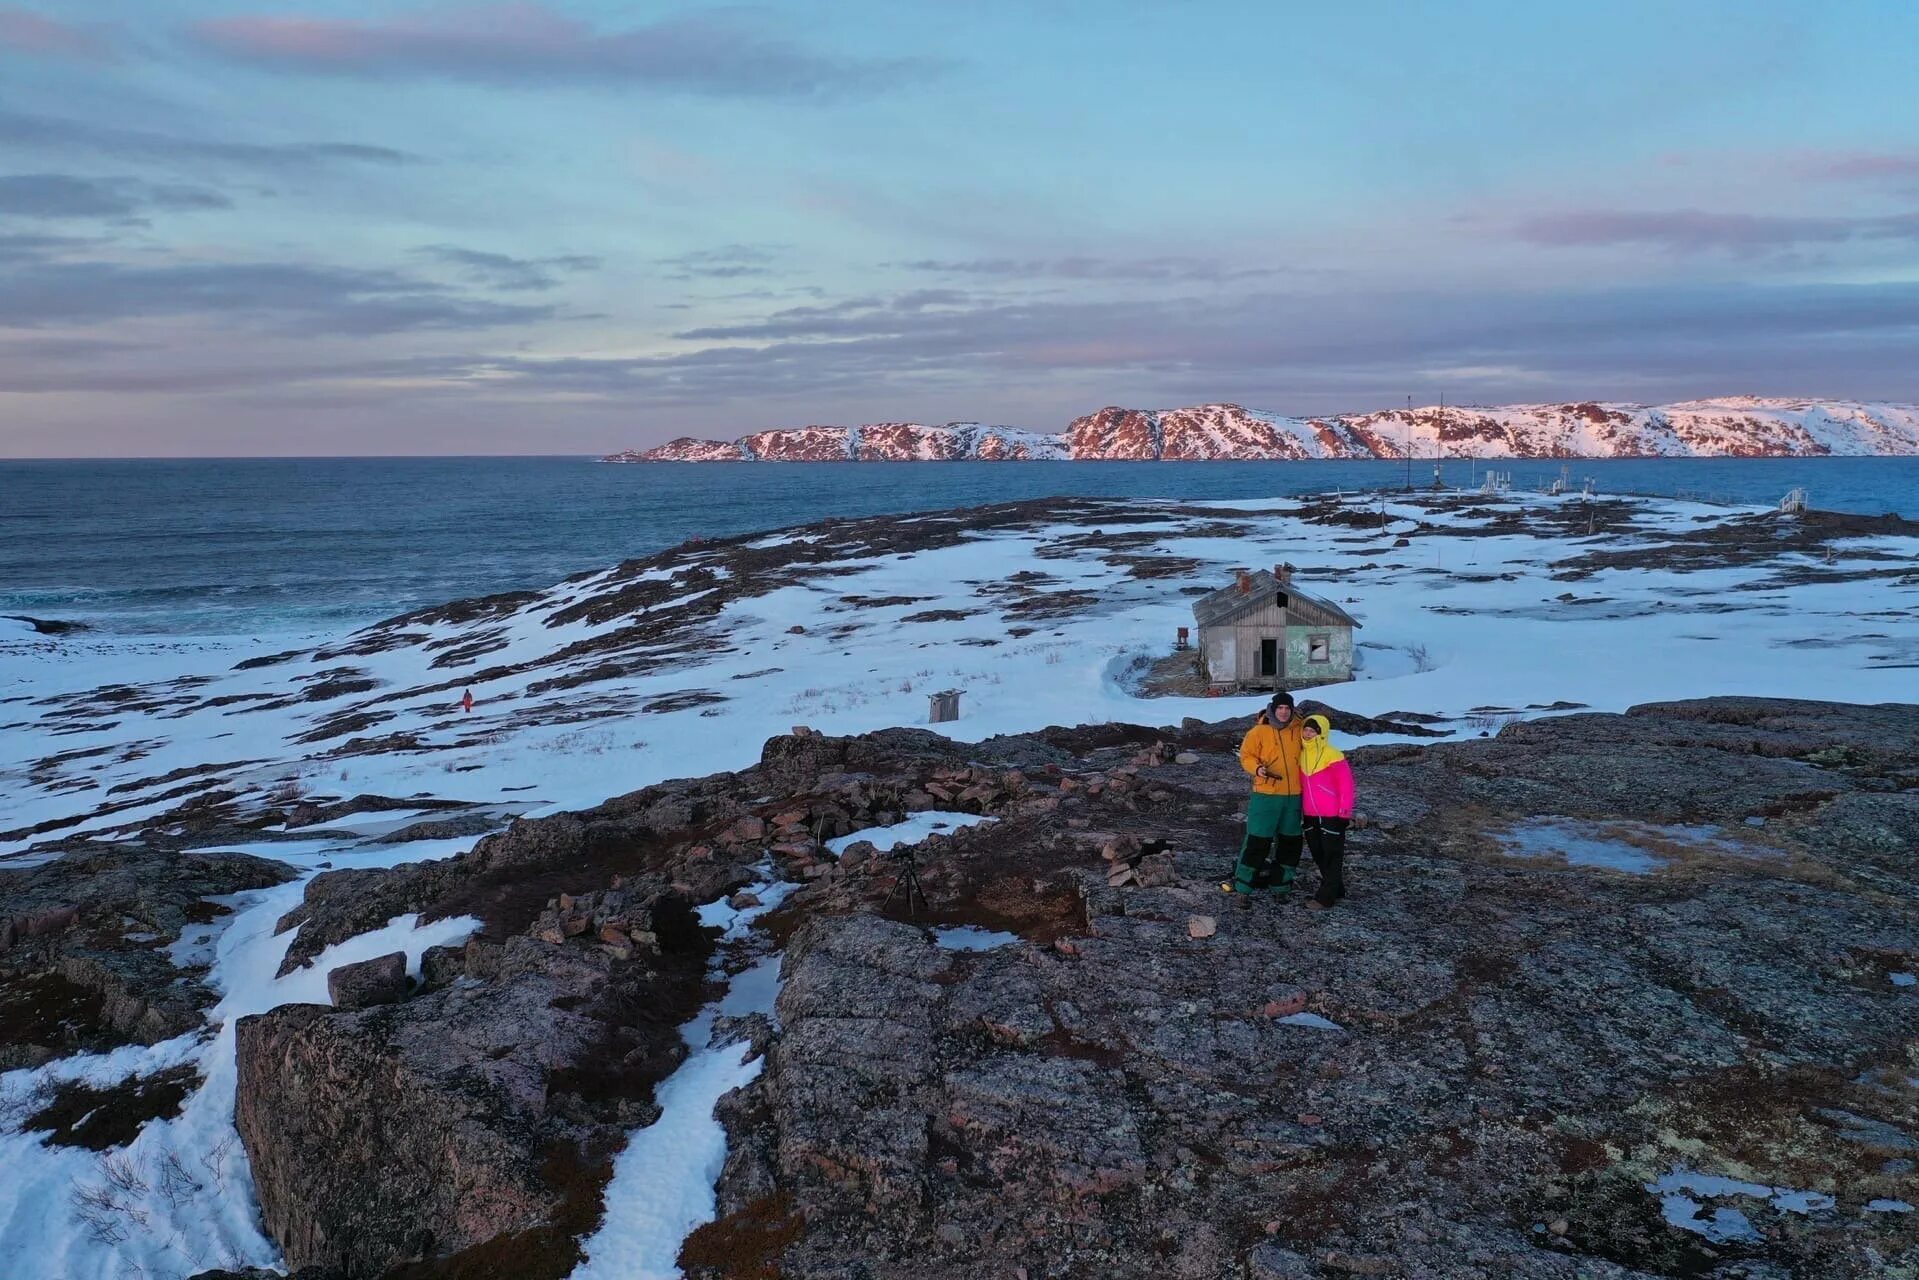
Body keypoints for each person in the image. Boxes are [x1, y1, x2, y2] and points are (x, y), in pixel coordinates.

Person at [1224, 691, 1305, 898]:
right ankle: (1243, 886)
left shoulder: (1301, 729)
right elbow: (1246, 756)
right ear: (1273, 709)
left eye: (1287, 708)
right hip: (1266, 794)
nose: (1284, 712)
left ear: (1292, 709)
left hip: (1294, 795)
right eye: (1280, 708)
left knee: (1290, 842)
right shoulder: (1259, 731)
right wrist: (1257, 768)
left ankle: (1281, 885)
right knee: (1258, 841)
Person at [1298, 714, 1356, 909]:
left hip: (1332, 815)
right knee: (1318, 853)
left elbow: (1346, 785)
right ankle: (1336, 887)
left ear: (1321, 733)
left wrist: (1344, 813)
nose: (1308, 734)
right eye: (1306, 729)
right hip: (1310, 814)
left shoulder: (1333, 754)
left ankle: (1325, 897)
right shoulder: (1300, 754)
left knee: (1332, 854)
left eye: (1312, 731)